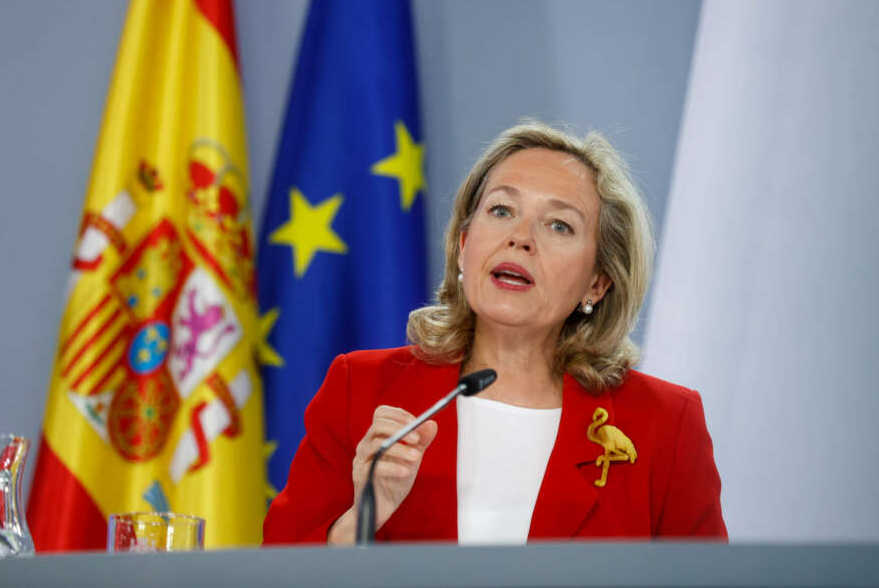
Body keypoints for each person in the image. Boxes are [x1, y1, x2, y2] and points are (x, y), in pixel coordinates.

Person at [263, 121, 727, 544]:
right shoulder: (360, 391)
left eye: (559, 224)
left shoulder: (663, 425)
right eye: (502, 210)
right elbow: (275, 577)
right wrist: (363, 517)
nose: (520, 237)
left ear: (597, 282)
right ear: (464, 246)